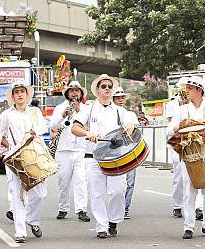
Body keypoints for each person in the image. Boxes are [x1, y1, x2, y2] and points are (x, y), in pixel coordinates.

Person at [71, 74, 137, 239]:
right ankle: (101, 225)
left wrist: (129, 127)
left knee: (118, 191)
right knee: (97, 193)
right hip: (93, 157)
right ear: (97, 90)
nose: (107, 89)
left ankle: (113, 220)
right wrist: (87, 133)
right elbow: (74, 128)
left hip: (115, 158)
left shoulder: (120, 111)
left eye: (109, 87)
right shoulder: (88, 108)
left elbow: (131, 124)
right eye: (103, 86)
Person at [167, 76, 205, 239]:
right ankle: (189, 227)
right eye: (186, 88)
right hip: (189, 156)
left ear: (199, 90)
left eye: (190, 89)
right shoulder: (181, 110)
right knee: (189, 191)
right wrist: (179, 126)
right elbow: (168, 131)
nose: (186, 91)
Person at [0, 82, 48, 243]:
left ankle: (33, 220)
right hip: (14, 156)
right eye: (17, 92)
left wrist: (33, 133)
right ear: (13, 96)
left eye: (22, 91)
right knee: (18, 194)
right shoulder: (6, 115)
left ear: (27, 94)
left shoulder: (35, 111)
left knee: (40, 193)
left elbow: (43, 127)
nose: (20, 94)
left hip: (35, 155)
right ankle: (20, 231)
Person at [48, 81, 90, 222]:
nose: (74, 93)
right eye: (71, 91)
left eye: (77, 91)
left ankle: (81, 210)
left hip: (80, 148)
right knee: (63, 180)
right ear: (67, 93)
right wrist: (63, 115)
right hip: (63, 149)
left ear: (81, 94)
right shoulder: (60, 107)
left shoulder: (86, 108)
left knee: (80, 180)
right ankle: (63, 208)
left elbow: (89, 126)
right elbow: (52, 125)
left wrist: (79, 112)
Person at [112, 86, 139, 219]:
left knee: (130, 182)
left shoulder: (130, 114)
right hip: (113, 152)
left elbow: (135, 131)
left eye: (122, 97)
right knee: (116, 184)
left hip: (129, 150)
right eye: (118, 97)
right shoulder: (109, 114)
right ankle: (115, 208)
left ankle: (125, 208)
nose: (121, 100)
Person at [166, 77, 189, 218]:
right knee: (179, 175)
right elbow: (171, 125)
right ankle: (177, 205)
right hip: (177, 142)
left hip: (191, 142)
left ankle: (194, 206)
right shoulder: (172, 105)